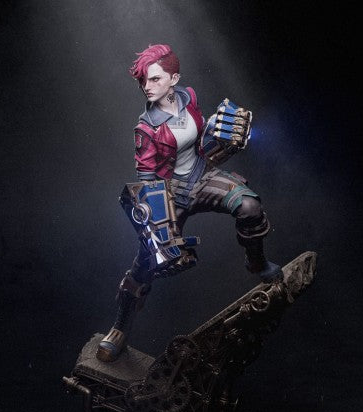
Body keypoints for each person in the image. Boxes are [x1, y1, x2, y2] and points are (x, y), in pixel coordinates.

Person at [96, 44, 282, 362]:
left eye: (155, 78)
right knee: (146, 264)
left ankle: (257, 263)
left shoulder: (188, 98)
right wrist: (160, 228)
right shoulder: (146, 128)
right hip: (169, 193)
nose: (147, 86)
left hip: (202, 175)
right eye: (143, 80)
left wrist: (217, 130)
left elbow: (198, 137)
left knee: (250, 207)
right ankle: (120, 328)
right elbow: (148, 179)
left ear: (174, 79)